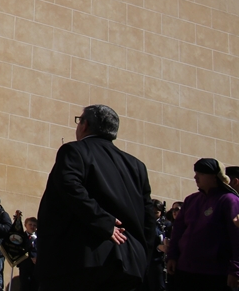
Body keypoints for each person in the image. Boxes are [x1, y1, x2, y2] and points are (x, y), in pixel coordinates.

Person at [36, 105, 152, 291]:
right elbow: (148, 217)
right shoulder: (137, 166)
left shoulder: (74, 151)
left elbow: (70, 187)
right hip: (129, 265)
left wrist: (104, 222)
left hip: (79, 260)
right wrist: (143, 257)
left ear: (85, 124)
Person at [165, 158, 239, 291]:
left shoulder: (229, 201)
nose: (195, 177)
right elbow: (178, 231)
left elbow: (236, 237)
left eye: (201, 173)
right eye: (196, 173)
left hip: (214, 274)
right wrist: (172, 256)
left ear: (215, 177)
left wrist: (235, 270)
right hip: (185, 270)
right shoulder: (191, 200)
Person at [17, 217, 39, 291]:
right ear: (25, 225)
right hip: (25, 266)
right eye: (30, 224)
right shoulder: (21, 237)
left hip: (36, 268)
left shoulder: (39, 238)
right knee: (25, 286)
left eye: (34, 225)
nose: (32, 227)